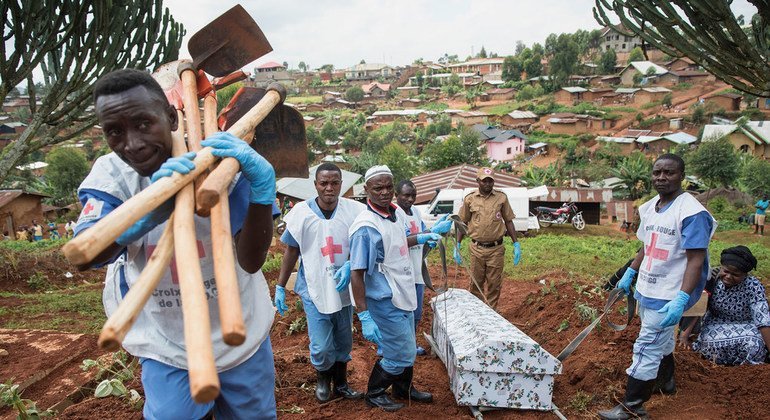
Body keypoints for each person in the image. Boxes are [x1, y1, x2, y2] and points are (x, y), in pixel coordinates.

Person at [73, 69, 278, 419]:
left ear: (170, 117)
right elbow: (86, 252)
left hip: (238, 328)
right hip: (164, 338)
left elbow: (250, 260)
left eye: (142, 124)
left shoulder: (222, 162)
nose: (132, 143)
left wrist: (262, 190)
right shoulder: (112, 175)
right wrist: (150, 210)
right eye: (114, 132)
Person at [598, 154, 716, 420]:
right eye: (657, 172)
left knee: (647, 345)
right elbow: (646, 245)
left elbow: (696, 260)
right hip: (649, 287)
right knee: (660, 342)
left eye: (669, 173)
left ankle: (633, 406)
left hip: (671, 292)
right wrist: (630, 272)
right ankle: (667, 382)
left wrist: (682, 298)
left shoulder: (692, 213)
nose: (661, 178)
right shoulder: (650, 207)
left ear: (681, 175)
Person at [348, 165, 440, 412]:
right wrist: (364, 315)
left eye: (389, 186)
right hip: (384, 298)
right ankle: (375, 392)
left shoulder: (395, 213)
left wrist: (420, 237)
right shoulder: (366, 227)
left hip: (403, 290)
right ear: (367, 189)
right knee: (400, 351)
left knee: (407, 343)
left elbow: (396, 242)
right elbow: (356, 274)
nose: (385, 192)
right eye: (378, 188)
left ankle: (402, 388)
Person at [273, 162, 366, 402]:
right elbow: (291, 251)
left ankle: (342, 384)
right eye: (323, 183)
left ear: (341, 184)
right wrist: (281, 286)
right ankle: (323, 380)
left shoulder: (353, 211)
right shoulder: (301, 213)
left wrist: (350, 264)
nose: (329, 188)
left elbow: (361, 242)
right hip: (314, 286)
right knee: (322, 345)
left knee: (344, 339)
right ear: (315, 185)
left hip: (343, 287)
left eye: (334, 183)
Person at [680, 246, 770, 365]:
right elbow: (699, 307)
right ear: (721, 266)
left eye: (735, 274)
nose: (728, 277)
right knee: (707, 344)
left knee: (755, 343)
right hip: (715, 324)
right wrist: (684, 336)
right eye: (726, 271)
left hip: (747, 325)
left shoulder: (753, 286)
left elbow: (762, 319)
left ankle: (746, 370)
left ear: (745, 275)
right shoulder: (712, 279)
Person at [394, 180, 452, 356]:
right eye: (406, 195)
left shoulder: (416, 212)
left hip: (418, 270)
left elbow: (423, 231)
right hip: (401, 271)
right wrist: (427, 234)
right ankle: (393, 347)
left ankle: (410, 344)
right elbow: (399, 241)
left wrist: (432, 236)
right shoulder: (394, 215)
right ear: (397, 195)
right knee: (400, 311)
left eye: (413, 195)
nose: (410, 199)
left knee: (416, 311)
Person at [454, 167, 521, 310]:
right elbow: (462, 222)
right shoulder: (470, 199)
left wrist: (516, 244)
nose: (488, 184)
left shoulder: (501, 197)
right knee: (476, 283)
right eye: (484, 181)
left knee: (494, 284)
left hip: (496, 249)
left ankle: (491, 313)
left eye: (490, 181)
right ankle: (476, 313)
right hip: (476, 249)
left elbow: (508, 220)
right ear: (478, 181)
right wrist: (457, 244)